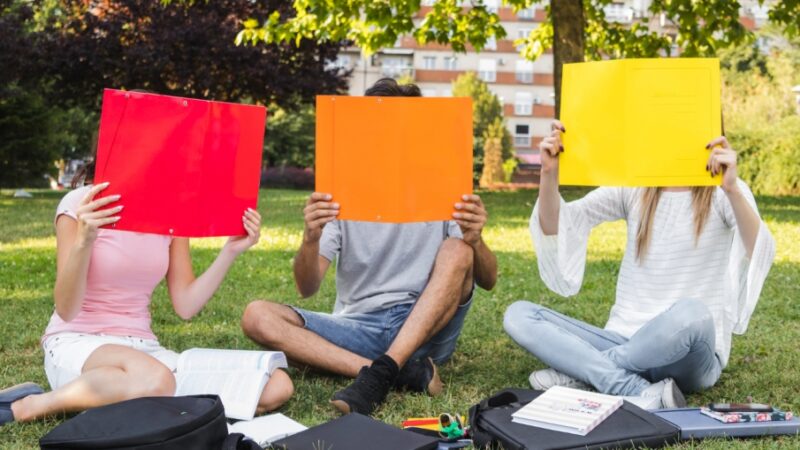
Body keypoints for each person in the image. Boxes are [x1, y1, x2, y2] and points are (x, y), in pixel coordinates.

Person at [241, 78, 498, 416]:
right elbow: (307, 287)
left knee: (459, 249)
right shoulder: (341, 193)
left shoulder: (442, 188)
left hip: (425, 325)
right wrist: (310, 238)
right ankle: (395, 371)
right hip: (358, 327)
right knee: (256, 315)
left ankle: (380, 370)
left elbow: (488, 279)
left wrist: (476, 239)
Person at [503, 120, 775, 409]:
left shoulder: (723, 191)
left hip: (689, 354)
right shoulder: (635, 187)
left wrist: (732, 189)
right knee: (518, 315)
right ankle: (629, 385)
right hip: (624, 339)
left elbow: (758, 249)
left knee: (693, 313)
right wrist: (548, 172)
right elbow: (556, 225)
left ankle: (586, 372)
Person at [1, 169, 293, 426]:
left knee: (276, 385)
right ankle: (32, 405)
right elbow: (66, 309)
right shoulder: (80, 204)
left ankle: (143, 397)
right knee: (154, 379)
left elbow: (186, 305)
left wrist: (231, 251)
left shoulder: (171, 212)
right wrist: (84, 239)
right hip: (78, 341)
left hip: (145, 352)